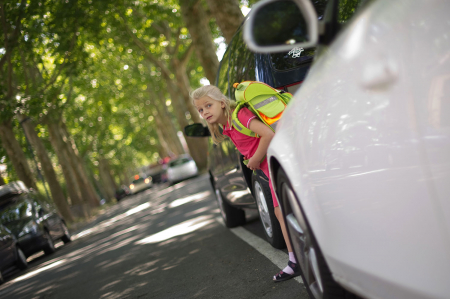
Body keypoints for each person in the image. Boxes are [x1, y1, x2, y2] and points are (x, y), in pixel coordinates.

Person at [191, 84, 299, 282]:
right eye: (200, 110)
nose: (205, 112)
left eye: (208, 105)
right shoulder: (227, 125)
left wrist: (255, 159)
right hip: (269, 165)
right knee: (281, 210)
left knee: (281, 211)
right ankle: (296, 258)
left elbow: (268, 134)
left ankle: (297, 261)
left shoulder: (239, 116)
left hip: (276, 161)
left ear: (222, 103)